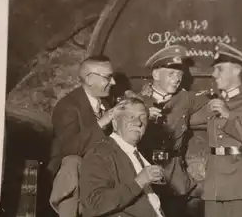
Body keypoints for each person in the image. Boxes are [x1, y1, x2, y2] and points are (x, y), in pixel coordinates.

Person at [137, 45, 209, 217]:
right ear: (155, 75)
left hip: (173, 176)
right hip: (142, 169)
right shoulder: (137, 100)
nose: (176, 79)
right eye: (171, 74)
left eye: (179, 75)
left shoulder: (186, 98)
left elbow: (212, 104)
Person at [201, 42, 242, 217]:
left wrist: (228, 115)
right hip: (213, 185)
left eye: (220, 69)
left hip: (241, 185)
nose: (214, 74)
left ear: (237, 70)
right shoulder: (213, 100)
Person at [47, 55, 119, 217]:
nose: (113, 82)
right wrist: (102, 122)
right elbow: (70, 150)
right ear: (89, 79)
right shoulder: (67, 107)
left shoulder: (105, 103)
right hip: (72, 178)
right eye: (108, 77)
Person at [80, 98, 167, 217]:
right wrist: (139, 182)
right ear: (115, 123)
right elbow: (94, 204)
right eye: (130, 117)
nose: (138, 122)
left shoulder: (138, 153)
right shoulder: (101, 153)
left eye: (143, 117)